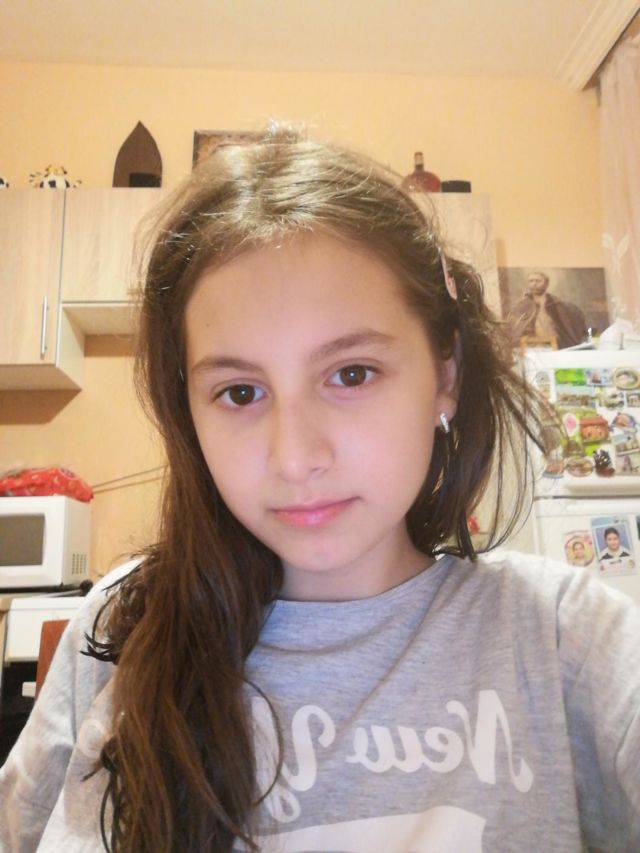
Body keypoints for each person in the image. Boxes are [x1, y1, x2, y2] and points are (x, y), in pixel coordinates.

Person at [1, 125, 639, 852]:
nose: (295, 457)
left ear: (446, 375)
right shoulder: (122, 629)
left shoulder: (561, 637)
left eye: (351, 374)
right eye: (241, 392)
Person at [507, 270, 587, 349]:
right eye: (531, 281)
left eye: (538, 281)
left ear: (546, 283)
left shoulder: (556, 304)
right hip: (531, 346)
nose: (534, 284)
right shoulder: (522, 305)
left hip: (555, 345)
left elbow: (565, 327)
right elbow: (517, 328)